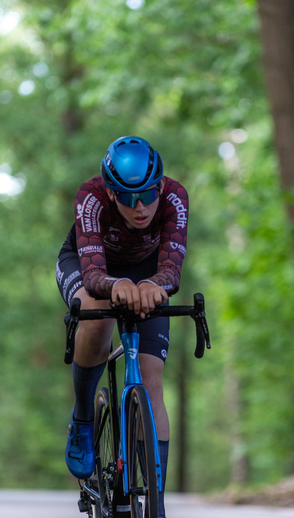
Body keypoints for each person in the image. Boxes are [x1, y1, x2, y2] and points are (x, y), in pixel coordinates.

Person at [56, 135, 188, 518]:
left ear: (161, 185)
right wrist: (118, 286)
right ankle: (83, 417)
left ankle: (157, 504)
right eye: (128, 198)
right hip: (89, 267)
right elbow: (94, 273)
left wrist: (152, 285)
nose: (141, 207)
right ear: (112, 194)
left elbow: (171, 270)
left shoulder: (175, 198)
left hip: (146, 275)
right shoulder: (91, 197)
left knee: (152, 378)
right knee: (96, 318)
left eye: (148, 194)